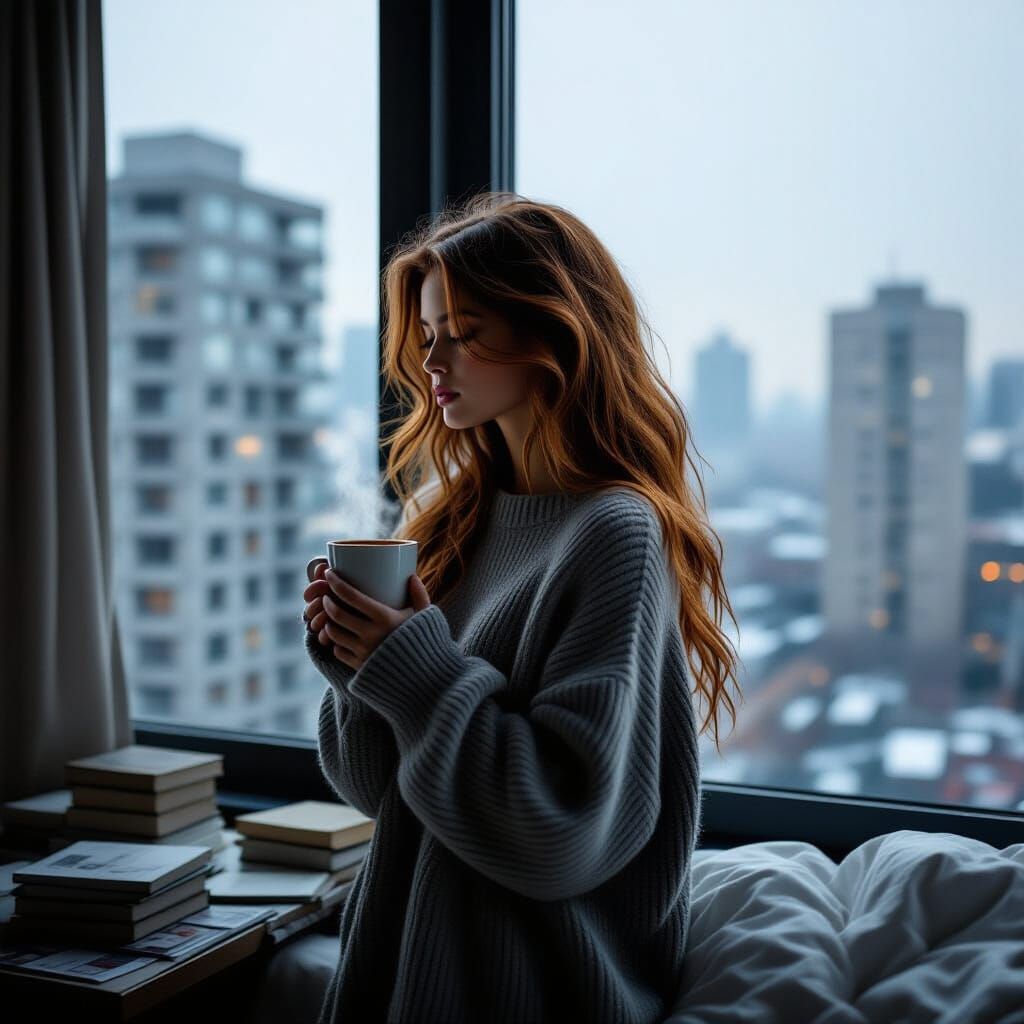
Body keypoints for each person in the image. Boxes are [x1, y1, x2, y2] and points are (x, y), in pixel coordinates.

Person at [300, 192, 741, 1023]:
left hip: (533, 991)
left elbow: (560, 837)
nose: (434, 364)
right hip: (402, 974)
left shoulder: (612, 532)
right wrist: (355, 664)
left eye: (463, 336)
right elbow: (380, 792)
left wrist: (414, 672)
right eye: (428, 338)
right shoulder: (445, 514)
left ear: (554, 333)